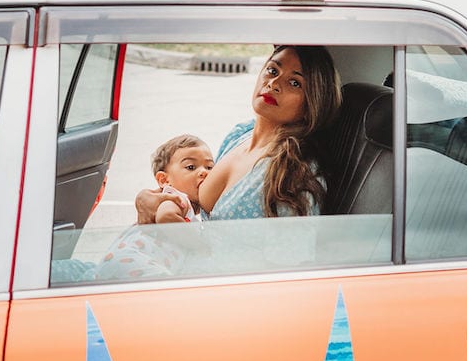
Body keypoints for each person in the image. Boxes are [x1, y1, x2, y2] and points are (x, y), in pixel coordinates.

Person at [138, 46, 340, 223]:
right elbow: (191, 201)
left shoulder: (296, 173)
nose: (274, 83)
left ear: (312, 102)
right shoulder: (239, 135)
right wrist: (148, 199)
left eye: (294, 82)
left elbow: (292, 259)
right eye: (272, 70)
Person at [95, 135, 214, 280]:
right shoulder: (177, 198)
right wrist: (200, 246)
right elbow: (166, 217)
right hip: (134, 260)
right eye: (191, 167)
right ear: (164, 180)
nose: (204, 172)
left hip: (122, 261)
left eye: (209, 167)